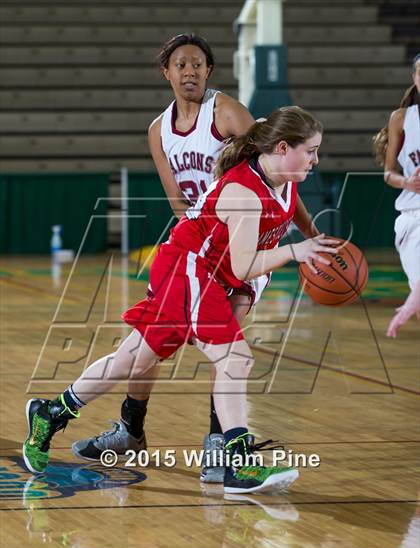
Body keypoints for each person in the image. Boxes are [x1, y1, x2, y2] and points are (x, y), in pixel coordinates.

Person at [23, 105, 338, 494]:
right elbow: (242, 266)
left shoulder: (285, 179)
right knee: (234, 358)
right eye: (311, 151)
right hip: (190, 267)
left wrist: (312, 243)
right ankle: (238, 464)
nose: (316, 159)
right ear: (283, 147)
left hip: (207, 272)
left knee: (134, 358)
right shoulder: (243, 191)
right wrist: (296, 252)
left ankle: (50, 413)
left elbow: (244, 267)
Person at [70, 34, 319, 484]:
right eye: (181, 64)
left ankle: (218, 448)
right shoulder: (157, 130)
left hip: (243, 243)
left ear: (209, 71)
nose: (190, 71)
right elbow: (176, 201)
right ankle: (130, 427)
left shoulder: (225, 112)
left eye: (198, 64)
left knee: (229, 346)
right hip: (199, 246)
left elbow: (278, 174)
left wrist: (310, 233)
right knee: (146, 346)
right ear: (165, 71)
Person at [373, 53, 420, 336]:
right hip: (413, 217)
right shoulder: (402, 118)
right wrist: (407, 182)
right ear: (414, 79)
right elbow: (388, 173)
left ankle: (408, 307)